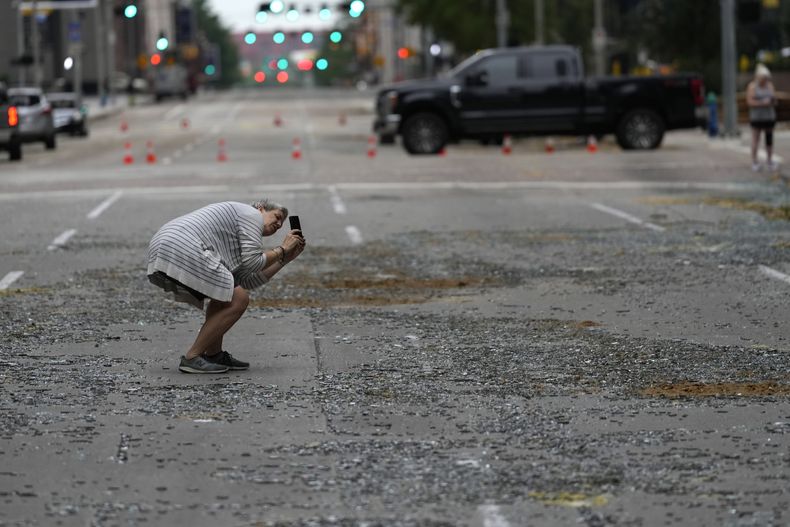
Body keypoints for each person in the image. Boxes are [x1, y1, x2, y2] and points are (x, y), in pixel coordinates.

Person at [147, 200, 305, 374]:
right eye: (277, 216)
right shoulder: (251, 214)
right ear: (260, 208)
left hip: (167, 243)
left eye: (281, 224)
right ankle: (192, 357)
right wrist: (282, 249)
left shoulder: (240, 232)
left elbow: (247, 281)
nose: (279, 224)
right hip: (181, 243)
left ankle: (214, 355)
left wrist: (285, 259)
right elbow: (253, 263)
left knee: (228, 294)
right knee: (239, 298)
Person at [746, 63, 778, 172]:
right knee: (756, 139)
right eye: (763, 78)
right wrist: (762, 102)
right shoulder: (752, 86)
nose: (764, 80)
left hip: (769, 117)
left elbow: (774, 99)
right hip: (757, 117)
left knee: (769, 139)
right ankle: (754, 161)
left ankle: (769, 160)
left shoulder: (769, 85)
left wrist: (772, 101)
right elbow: (750, 102)